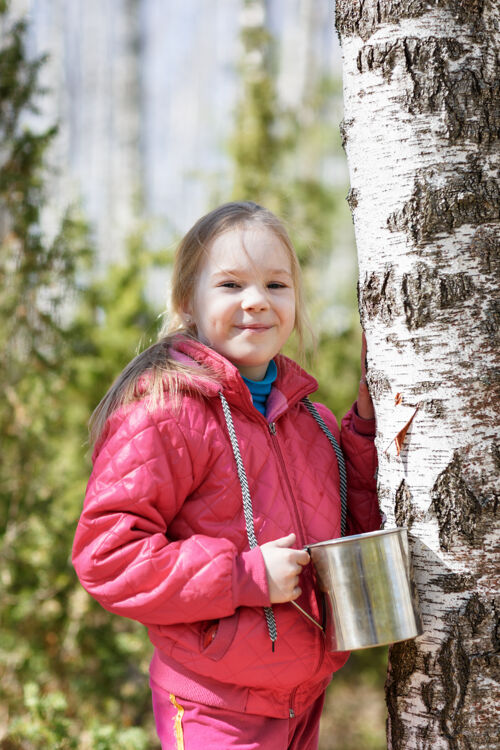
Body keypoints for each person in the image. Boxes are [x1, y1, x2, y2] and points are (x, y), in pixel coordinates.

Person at [72, 201, 381, 750]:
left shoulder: (311, 417)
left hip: (303, 701)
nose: (256, 301)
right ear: (186, 302)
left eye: (276, 285)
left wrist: (365, 430)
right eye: (232, 284)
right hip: (213, 704)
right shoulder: (167, 411)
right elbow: (106, 555)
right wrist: (243, 576)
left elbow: (353, 527)